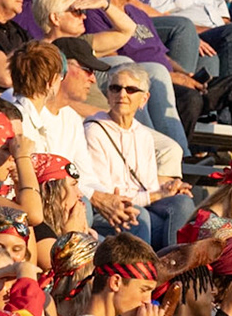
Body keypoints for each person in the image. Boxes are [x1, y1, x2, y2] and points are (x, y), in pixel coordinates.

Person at [82, 63, 196, 247]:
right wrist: (155, 197)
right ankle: (138, 272)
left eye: (131, 89)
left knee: (182, 203)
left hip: (142, 204)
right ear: (108, 95)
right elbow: (106, 195)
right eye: (115, 88)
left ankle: (176, 267)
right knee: (139, 216)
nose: (122, 94)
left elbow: (147, 184)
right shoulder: (94, 130)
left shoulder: (143, 135)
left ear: (144, 99)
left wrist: (168, 188)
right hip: (109, 211)